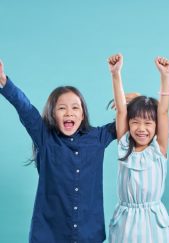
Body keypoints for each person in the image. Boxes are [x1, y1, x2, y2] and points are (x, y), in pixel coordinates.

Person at [0, 60, 116, 242]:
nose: (69, 113)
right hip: (50, 234)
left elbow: (125, 125)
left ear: (83, 114)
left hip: (89, 233)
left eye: (75, 107)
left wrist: (130, 102)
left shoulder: (97, 137)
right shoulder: (45, 138)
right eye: (62, 108)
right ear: (53, 114)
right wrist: (5, 82)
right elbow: (26, 109)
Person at [107, 53, 169, 243]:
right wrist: (116, 74)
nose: (141, 129)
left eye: (148, 123)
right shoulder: (124, 144)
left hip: (153, 222)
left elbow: (163, 111)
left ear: (156, 126)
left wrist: (165, 77)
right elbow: (121, 110)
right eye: (135, 122)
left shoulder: (159, 148)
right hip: (126, 220)